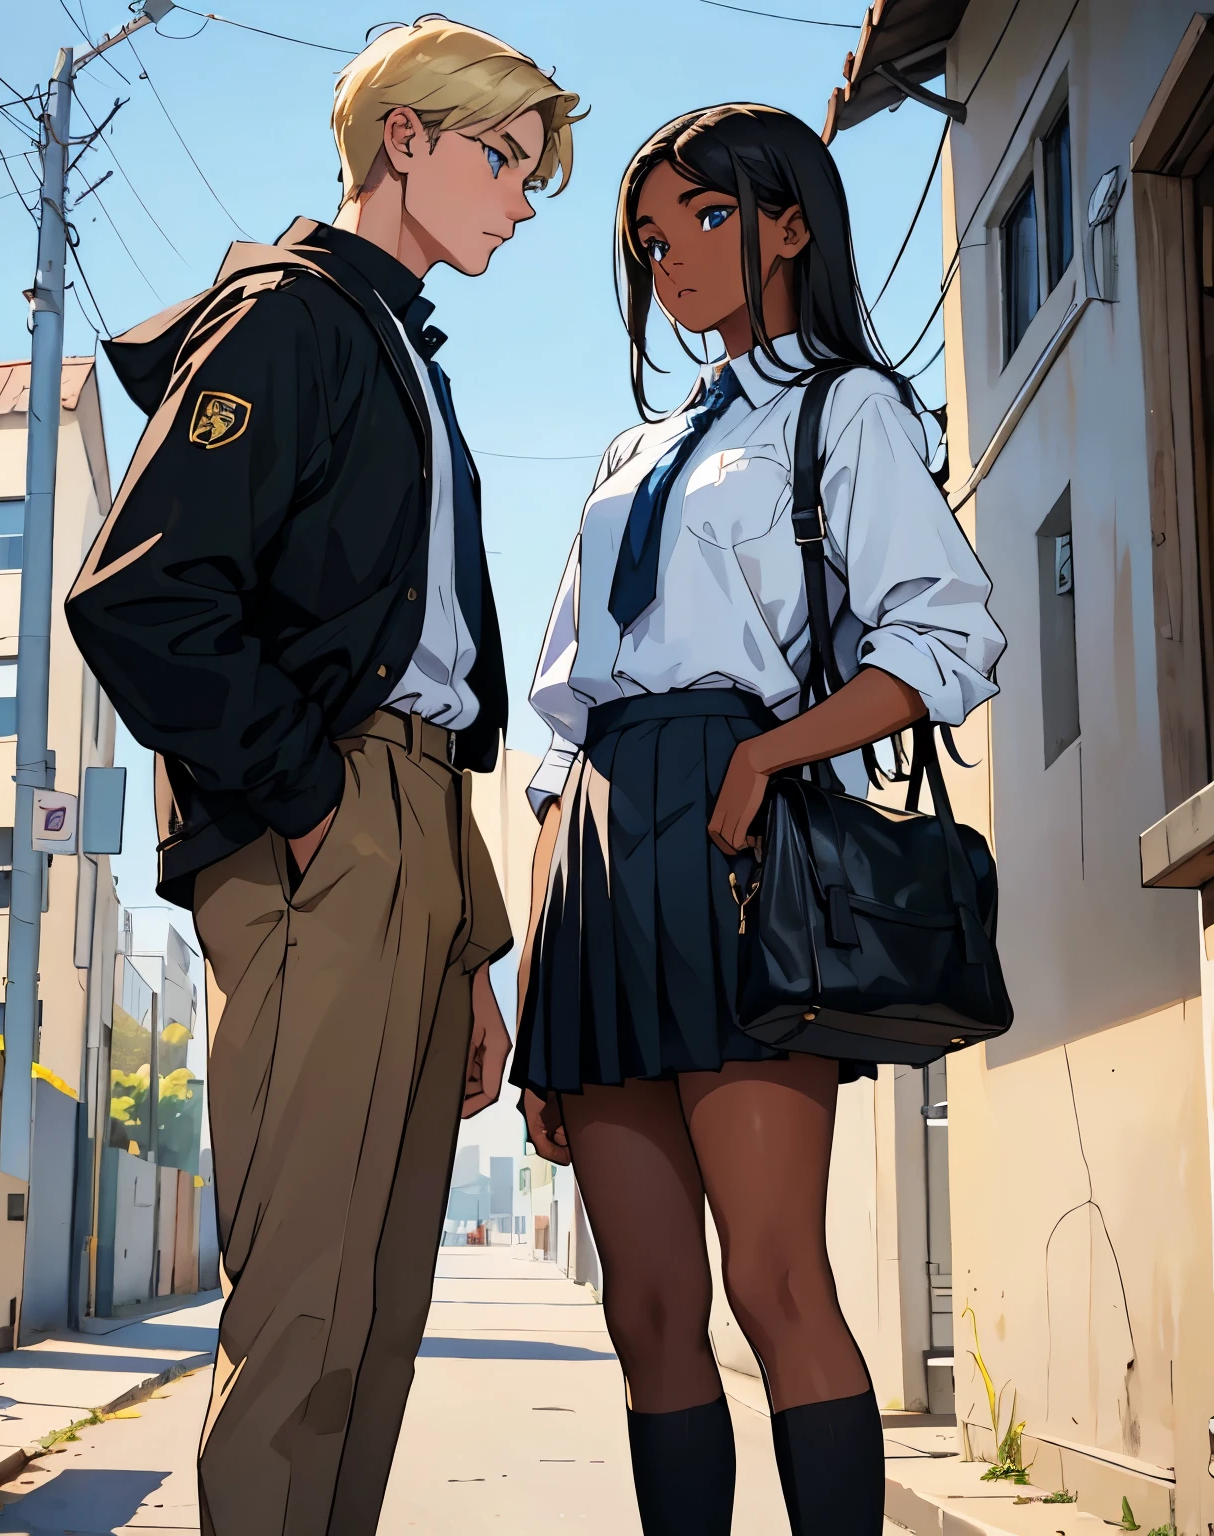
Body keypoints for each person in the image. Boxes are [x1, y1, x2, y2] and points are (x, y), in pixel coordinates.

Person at [65, 18, 580, 1536]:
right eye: (503, 158)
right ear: (402, 140)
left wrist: (471, 945)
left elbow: (432, 675)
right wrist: (304, 804)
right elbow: (140, 594)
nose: (521, 199)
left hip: (422, 835)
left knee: (377, 1307)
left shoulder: (401, 352)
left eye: (536, 173)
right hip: (330, 825)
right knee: (302, 1306)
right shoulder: (288, 322)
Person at [511, 104, 1005, 1536]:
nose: (673, 260)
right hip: (602, 859)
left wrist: (765, 759)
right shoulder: (627, 454)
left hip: (746, 840)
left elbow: (948, 638)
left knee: (773, 1282)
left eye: (706, 220)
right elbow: (561, 724)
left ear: (789, 221)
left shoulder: (845, 411)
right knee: (648, 1310)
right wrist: (539, 961)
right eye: (651, 237)